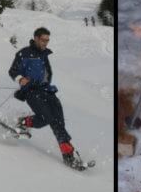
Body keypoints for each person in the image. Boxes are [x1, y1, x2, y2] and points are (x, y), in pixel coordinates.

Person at [9, 27, 84, 169]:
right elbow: (13, 71)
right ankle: (68, 155)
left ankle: (24, 122)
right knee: (53, 120)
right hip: (31, 92)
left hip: (47, 90)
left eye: (47, 40)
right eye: (43, 40)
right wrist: (20, 78)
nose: (45, 43)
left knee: (57, 119)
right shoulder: (24, 53)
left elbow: (46, 73)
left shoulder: (44, 55)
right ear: (36, 38)